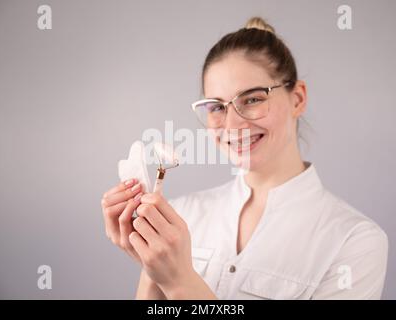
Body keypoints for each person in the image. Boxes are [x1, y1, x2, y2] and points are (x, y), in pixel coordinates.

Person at [101, 17, 388, 299]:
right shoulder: (181, 215)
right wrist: (152, 269)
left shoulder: (355, 242)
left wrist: (179, 282)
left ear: (297, 98)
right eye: (216, 107)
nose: (232, 125)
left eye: (252, 99)